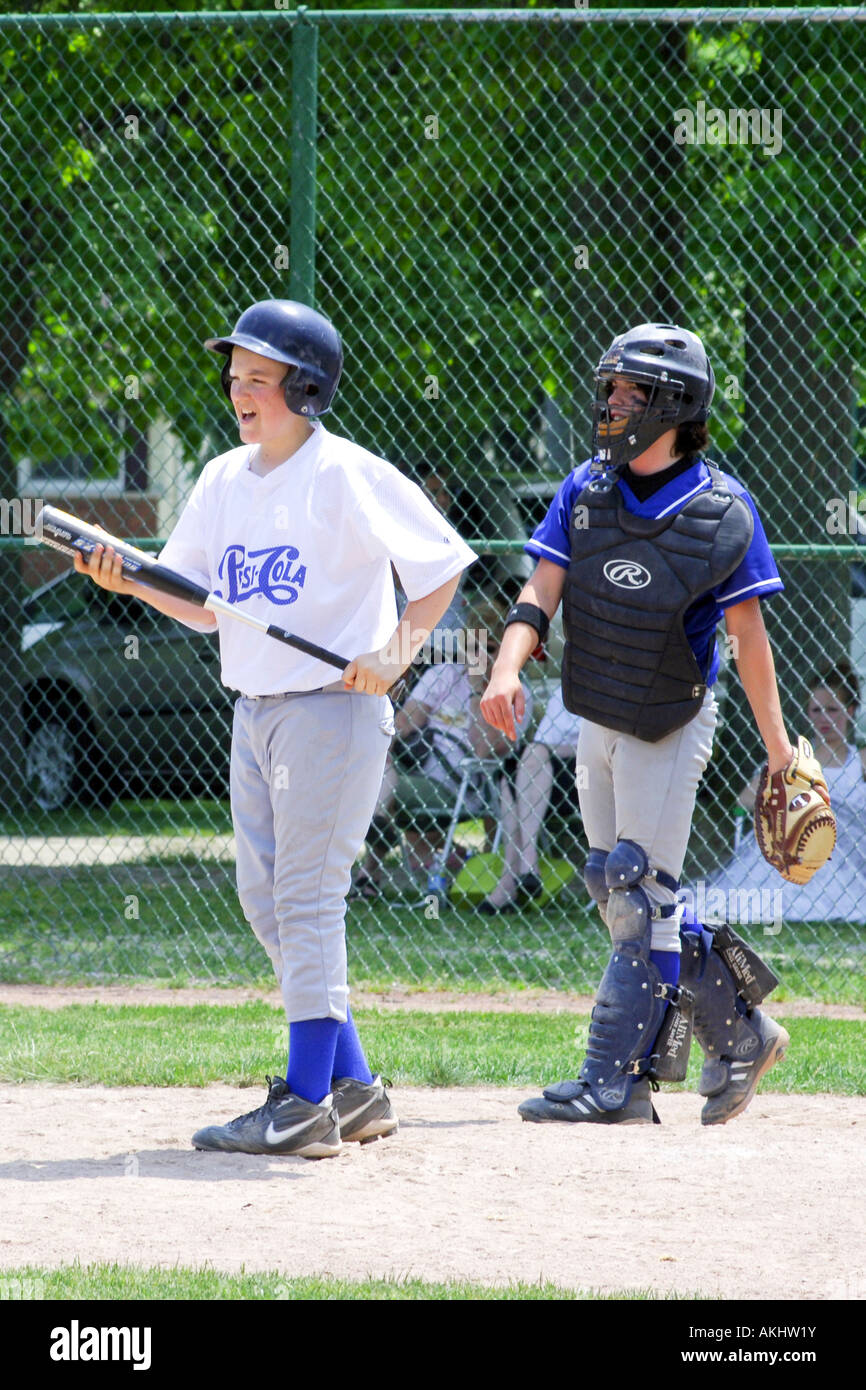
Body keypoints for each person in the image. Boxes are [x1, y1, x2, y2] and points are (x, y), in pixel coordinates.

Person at [73, 298, 476, 1157]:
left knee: (306, 899)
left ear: (309, 386)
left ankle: (301, 1105)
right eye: (234, 378)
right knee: (269, 904)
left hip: (330, 711)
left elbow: (440, 569)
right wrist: (129, 580)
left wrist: (394, 652)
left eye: (259, 378)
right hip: (254, 711)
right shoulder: (222, 479)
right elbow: (202, 606)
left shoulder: (347, 474)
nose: (239, 392)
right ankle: (354, 1089)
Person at [481, 321, 799, 1127]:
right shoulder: (584, 489)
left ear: (674, 406)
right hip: (597, 709)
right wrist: (506, 667)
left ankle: (613, 1082)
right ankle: (744, 1031)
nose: (613, 406)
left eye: (632, 394)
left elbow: (751, 641)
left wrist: (778, 750)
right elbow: (537, 594)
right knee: (619, 894)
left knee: (638, 885)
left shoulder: (723, 510)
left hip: (673, 719)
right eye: (611, 391)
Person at [358, 597, 534, 892]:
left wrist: (478, 689)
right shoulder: (446, 673)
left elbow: (483, 750)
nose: (479, 657)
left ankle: (371, 856)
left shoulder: (517, 692)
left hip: (466, 785)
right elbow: (403, 724)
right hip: (416, 769)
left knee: (386, 787)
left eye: (489, 649)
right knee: (381, 762)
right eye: (473, 647)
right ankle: (373, 849)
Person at [698, 661, 866, 924]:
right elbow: (744, 799)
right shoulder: (793, 757)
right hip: (794, 844)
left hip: (844, 853)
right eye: (816, 710)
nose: (823, 718)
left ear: (850, 710)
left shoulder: (860, 760)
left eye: (832, 710)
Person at [478, 685, 582, 913]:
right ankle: (517, 871)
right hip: (549, 778)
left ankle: (525, 865)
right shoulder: (563, 692)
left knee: (534, 754)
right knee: (511, 771)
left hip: (589, 776)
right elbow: (543, 742)